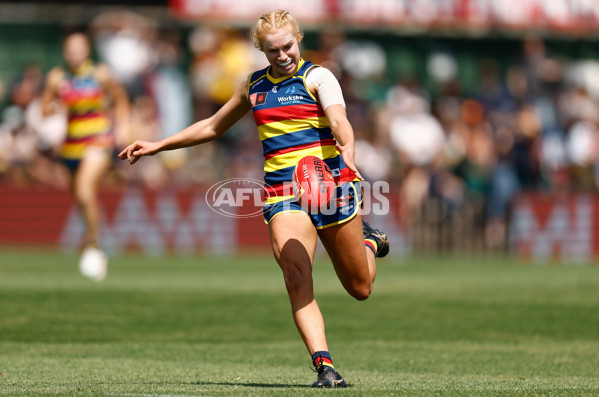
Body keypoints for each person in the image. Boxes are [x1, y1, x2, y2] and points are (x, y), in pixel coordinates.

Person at [119, 10, 389, 388]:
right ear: (260, 49)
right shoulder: (253, 85)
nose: (283, 56)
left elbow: (339, 119)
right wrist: (159, 145)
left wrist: (347, 147)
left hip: (329, 185)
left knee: (360, 288)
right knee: (296, 275)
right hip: (283, 194)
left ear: (299, 39)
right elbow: (213, 126)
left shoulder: (319, 77)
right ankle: (325, 366)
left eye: (288, 46)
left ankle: (369, 242)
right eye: (273, 50)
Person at [42, 32, 130, 281]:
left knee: (84, 190)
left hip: (98, 139)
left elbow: (121, 100)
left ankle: (94, 246)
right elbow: (44, 108)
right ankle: (92, 242)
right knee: (80, 199)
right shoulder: (56, 78)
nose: (75, 52)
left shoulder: (101, 73)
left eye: (79, 47)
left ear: (87, 50)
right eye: (70, 48)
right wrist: (57, 106)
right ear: (64, 51)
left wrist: (122, 126)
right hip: (70, 145)